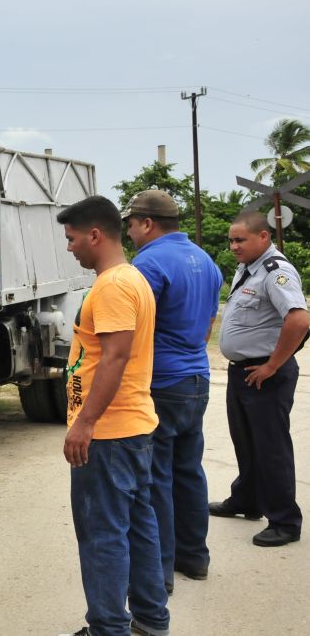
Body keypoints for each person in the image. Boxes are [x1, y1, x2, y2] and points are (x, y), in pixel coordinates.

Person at [57, 195, 169, 636]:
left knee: (102, 537)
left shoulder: (113, 286)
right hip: (131, 427)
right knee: (139, 526)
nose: (70, 248)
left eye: (72, 239)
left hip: (109, 433)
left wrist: (84, 423)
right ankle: (150, 621)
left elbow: (116, 357)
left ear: (95, 235)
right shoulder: (130, 278)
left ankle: (108, 628)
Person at [122, 190, 223, 594]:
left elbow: (133, 328)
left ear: (147, 223)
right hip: (197, 379)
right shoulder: (206, 260)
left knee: (156, 477)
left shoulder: (148, 262)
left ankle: (159, 572)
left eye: (130, 223)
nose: (128, 232)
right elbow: (208, 324)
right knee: (189, 470)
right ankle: (195, 558)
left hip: (161, 383)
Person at [211, 210, 308, 547]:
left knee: (271, 447)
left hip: (265, 374)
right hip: (244, 372)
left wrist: (272, 365)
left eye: (240, 240)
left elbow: (299, 321)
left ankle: (284, 520)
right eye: (231, 240)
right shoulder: (247, 269)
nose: (233, 246)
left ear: (263, 237)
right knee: (247, 442)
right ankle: (247, 500)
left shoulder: (275, 271)